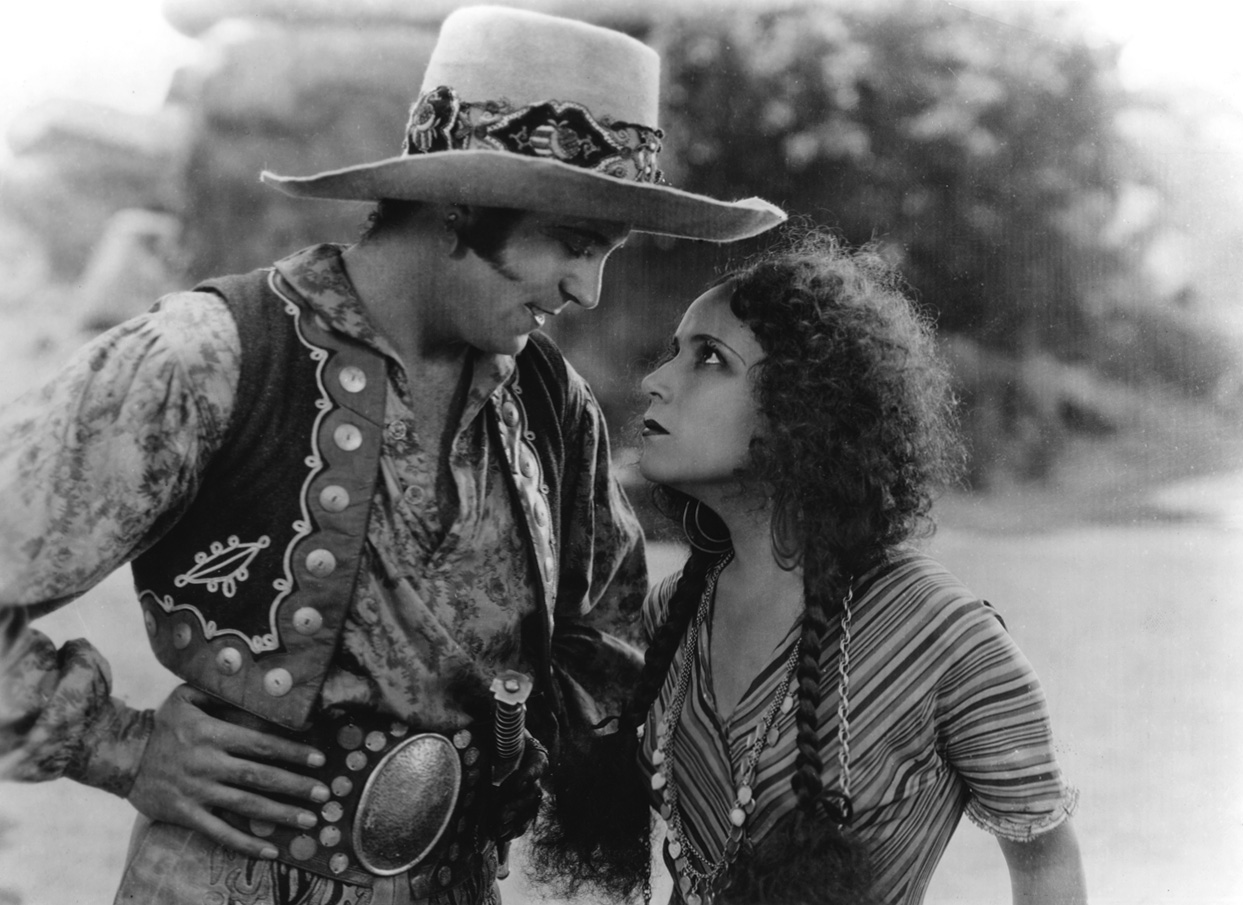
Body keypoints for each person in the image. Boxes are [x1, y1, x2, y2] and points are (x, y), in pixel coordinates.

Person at [0, 7, 785, 905]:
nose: (588, 289)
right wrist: (117, 743)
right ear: (459, 207)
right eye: (573, 244)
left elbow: (607, 644)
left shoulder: (548, 402)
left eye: (604, 253)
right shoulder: (210, 358)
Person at [532, 233, 1086, 905]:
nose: (656, 380)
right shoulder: (674, 610)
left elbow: (1045, 863)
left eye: (709, 358)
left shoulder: (944, 639)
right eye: (674, 352)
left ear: (801, 406)